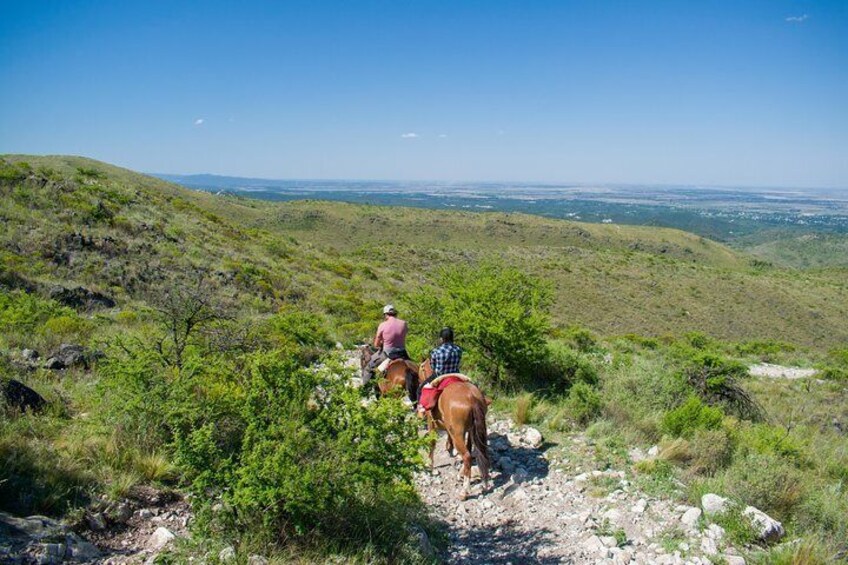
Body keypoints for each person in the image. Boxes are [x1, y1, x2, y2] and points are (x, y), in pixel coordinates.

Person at [363, 304, 409, 384]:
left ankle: (365, 389)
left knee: (368, 367)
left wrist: (382, 342)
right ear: (395, 313)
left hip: (387, 353)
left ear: (386, 314)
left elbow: (376, 345)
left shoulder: (382, 325)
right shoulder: (404, 323)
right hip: (403, 353)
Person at [417, 326, 462, 405]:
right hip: (456, 376)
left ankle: (421, 410)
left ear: (441, 339)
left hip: (439, 376)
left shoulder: (436, 351)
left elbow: (433, 366)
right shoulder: (458, 349)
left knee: (420, 389)